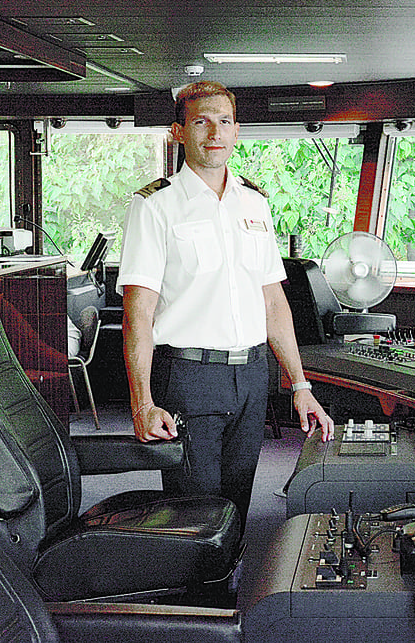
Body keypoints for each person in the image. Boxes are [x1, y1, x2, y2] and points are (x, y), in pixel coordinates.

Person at [116, 80, 334, 528]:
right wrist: (142, 403)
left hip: (253, 376)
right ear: (178, 132)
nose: (214, 132)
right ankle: (195, 595)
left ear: (237, 132)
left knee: (238, 505)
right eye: (201, 122)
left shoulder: (254, 204)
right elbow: (138, 310)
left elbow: (273, 301)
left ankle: (227, 593)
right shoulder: (156, 205)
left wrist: (300, 384)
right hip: (188, 376)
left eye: (225, 122)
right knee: (194, 513)